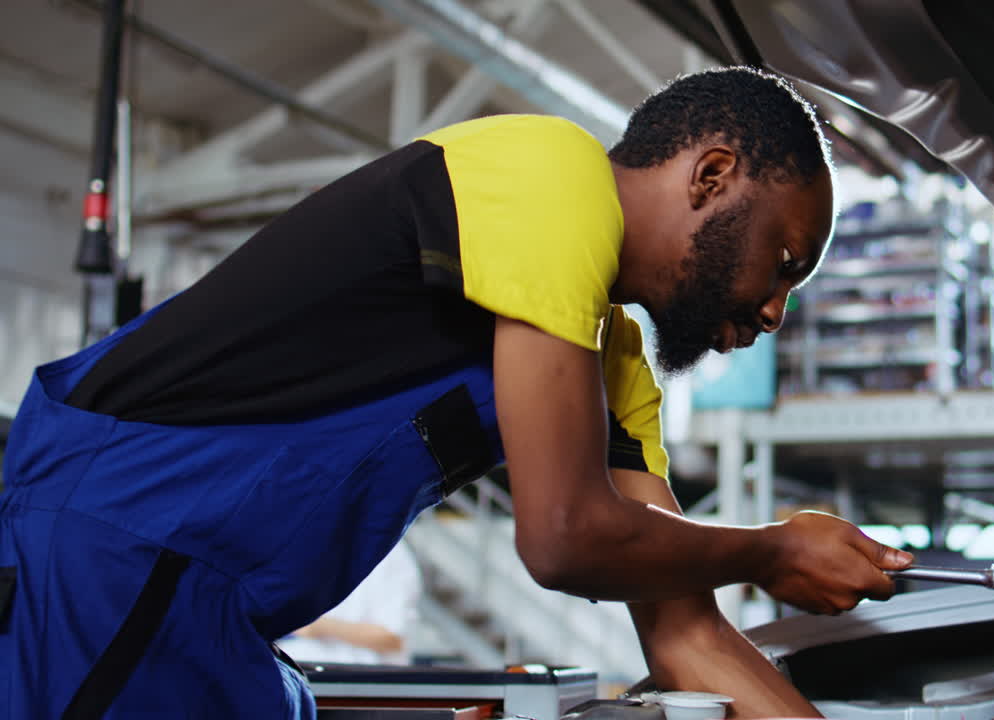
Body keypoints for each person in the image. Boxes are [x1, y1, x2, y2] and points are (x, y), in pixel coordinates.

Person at [0, 67, 913, 719]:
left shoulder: (614, 356)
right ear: (712, 176)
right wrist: (767, 550)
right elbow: (562, 537)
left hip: (208, 604)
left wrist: (758, 560)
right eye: (784, 261)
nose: (777, 309)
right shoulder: (554, 178)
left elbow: (689, 640)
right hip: (106, 548)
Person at [276, 540, 422, 665]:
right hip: (294, 676)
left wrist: (317, 625)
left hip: (352, 683)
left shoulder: (390, 552)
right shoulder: (302, 543)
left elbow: (391, 638)